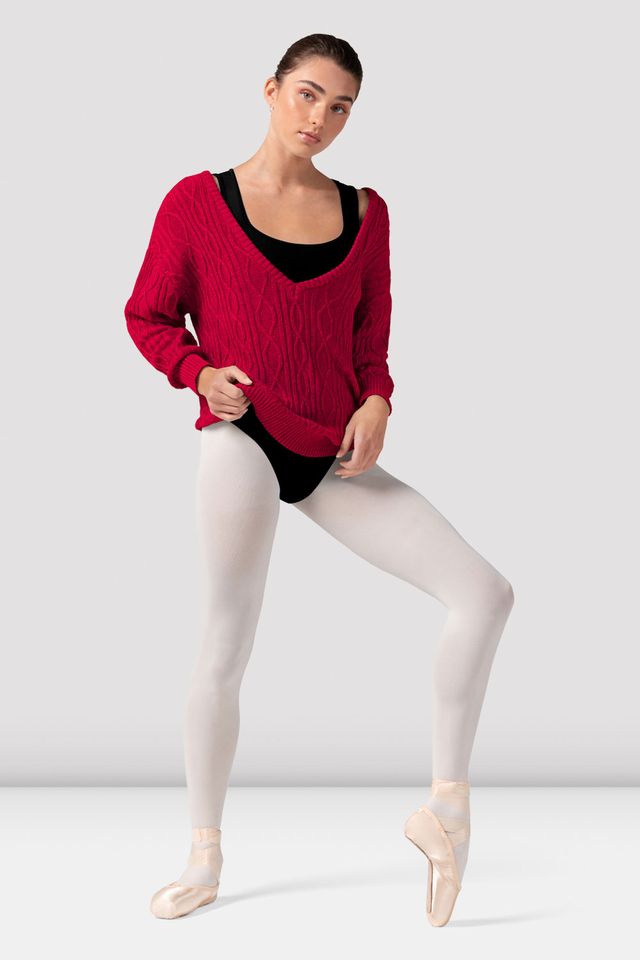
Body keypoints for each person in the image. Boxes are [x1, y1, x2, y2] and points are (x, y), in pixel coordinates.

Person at [124, 33, 514, 926]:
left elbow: (371, 338)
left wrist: (378, 400)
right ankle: (204, 854)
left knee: (485, 594)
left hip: (330, 453)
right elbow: (148, 315)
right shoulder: (195, 202)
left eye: (341, 107)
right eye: (307, 94)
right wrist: (197, 373)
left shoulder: (367, 213)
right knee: (227, 643)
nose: (320, 119)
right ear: (269, 90)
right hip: (242, 437)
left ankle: (447, 811)